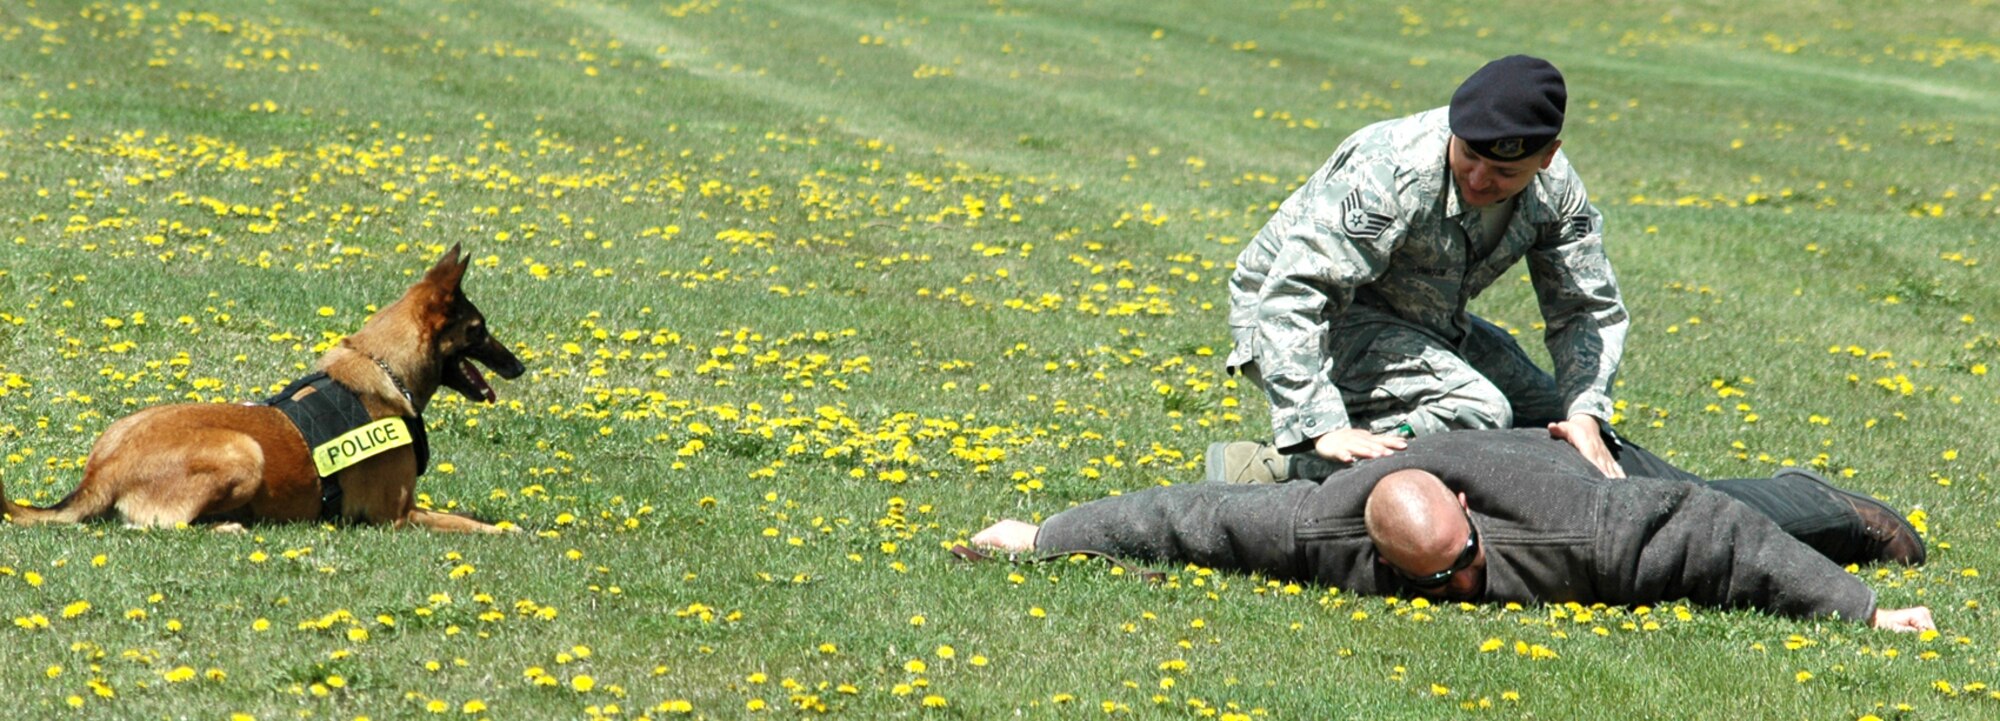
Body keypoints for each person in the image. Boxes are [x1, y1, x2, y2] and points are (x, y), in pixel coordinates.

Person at [972, 429, 1934, 632]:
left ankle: (1835, 499)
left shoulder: (1579, 530)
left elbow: (1716, 536)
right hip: (1437, 445)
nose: (1458, 591)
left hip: (1573, 461)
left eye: (1464, 568)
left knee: (1756, 507)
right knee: (1238, 482)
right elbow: (1189, 520)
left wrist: (1864, 609)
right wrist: (1043, 535)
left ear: (1470, 523)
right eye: (1435, 584)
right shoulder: (1322, 527)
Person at [1212, 55, 1627, 484]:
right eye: (1469, 155)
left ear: (1547, 156)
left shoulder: (1555, 189)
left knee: (1549, 416)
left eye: (1505, 171)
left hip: (1415, 321)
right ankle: (1282, 470)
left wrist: (1585, 412)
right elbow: (1293, 294)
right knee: (1477, 411)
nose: (1480, 179)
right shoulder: (1390, 171)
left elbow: (1585, 309)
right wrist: (1321, 425)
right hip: (1300, 318)